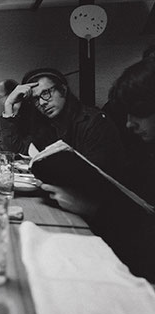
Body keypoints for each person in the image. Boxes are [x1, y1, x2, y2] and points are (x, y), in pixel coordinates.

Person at [40, 58, 155, 282]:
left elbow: (145, 242)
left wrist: (93, 208)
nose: (129, 125)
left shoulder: (93, 123)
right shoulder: (146, 151)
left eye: (138, 113)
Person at [0, 67, 125, 177]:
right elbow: (13, 152)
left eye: (46, 93)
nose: (42, 102)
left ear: (63, 90)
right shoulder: (46, 124)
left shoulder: (94, 122)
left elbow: (100, 176)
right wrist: (9, 104)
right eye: (36, 99)